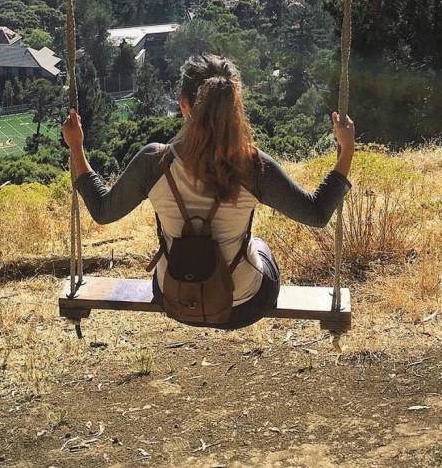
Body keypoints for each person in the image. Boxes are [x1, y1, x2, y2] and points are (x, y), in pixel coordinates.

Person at [62, 54, 355, 330]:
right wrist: (346, 149)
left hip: (174, 298)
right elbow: (317, 213)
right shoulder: (253, 165)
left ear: (183, 106)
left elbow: (103, 210)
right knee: (260, 247)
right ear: (235, 108)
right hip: (243, 305)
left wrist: (76, 147)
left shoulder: (155, 162)